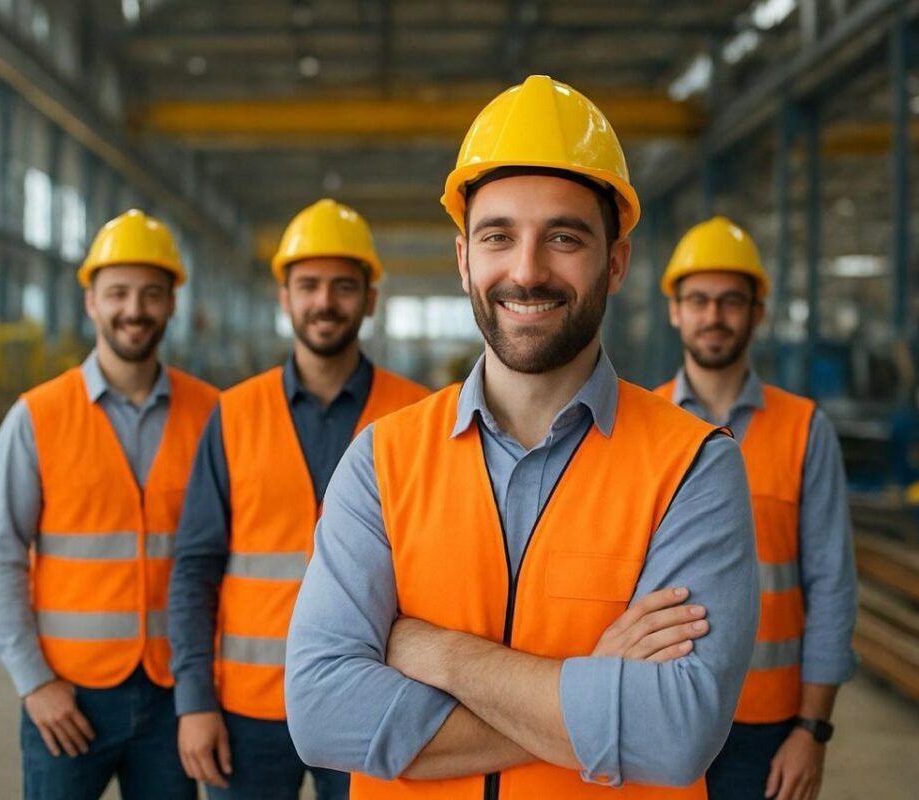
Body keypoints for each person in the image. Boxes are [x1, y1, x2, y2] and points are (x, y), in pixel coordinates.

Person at [284, 75, 759, 798]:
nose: (527, 270)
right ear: (464, 259)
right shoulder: (383, 460)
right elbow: (321, 715)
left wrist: (436, 652)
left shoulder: (694, 465)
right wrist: (591, 690)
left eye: (564, 237)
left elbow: (674, 736)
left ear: (617, 262)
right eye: (498, 236)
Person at [167, 198, 430, 799]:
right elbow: (195, 570)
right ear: (283, 297)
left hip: (377, 703)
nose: (324, 301)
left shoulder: (417, 418)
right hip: (249, 710)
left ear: (370, 299)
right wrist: (194, 702)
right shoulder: (232, 415)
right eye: (307, 284)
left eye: (343, 285)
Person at [0, 209, 218, 800]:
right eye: (118, 293)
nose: (134, 309)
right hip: (68, 698)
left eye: (150, 294)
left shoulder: (214, 414)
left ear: (170, 304)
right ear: (91, 301)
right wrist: (33, 683)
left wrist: (203, 690)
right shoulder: (36, 417)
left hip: (175, 695)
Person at [654, 217, 857, 800]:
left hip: (767, 727)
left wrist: (812, 729)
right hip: (661, 710)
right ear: (675, 310)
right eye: (698, 300)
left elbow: (832, 587)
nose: (713, 316)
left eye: (730, 301)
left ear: (757, 313)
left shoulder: (804, 430)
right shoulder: (641, 423)